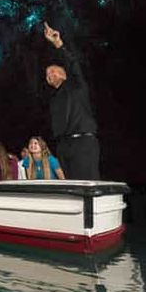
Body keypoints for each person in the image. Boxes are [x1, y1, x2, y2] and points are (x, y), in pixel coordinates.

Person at [43, 22, 101, 180]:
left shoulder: (76, 85)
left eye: (53, 71)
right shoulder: (54, 98)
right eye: (47, 75)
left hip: (82, 142)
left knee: (85, 184)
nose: (49, 75)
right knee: (71, 186)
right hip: (63, 146)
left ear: (64, 74)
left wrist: (58, 44)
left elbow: (73, 64)